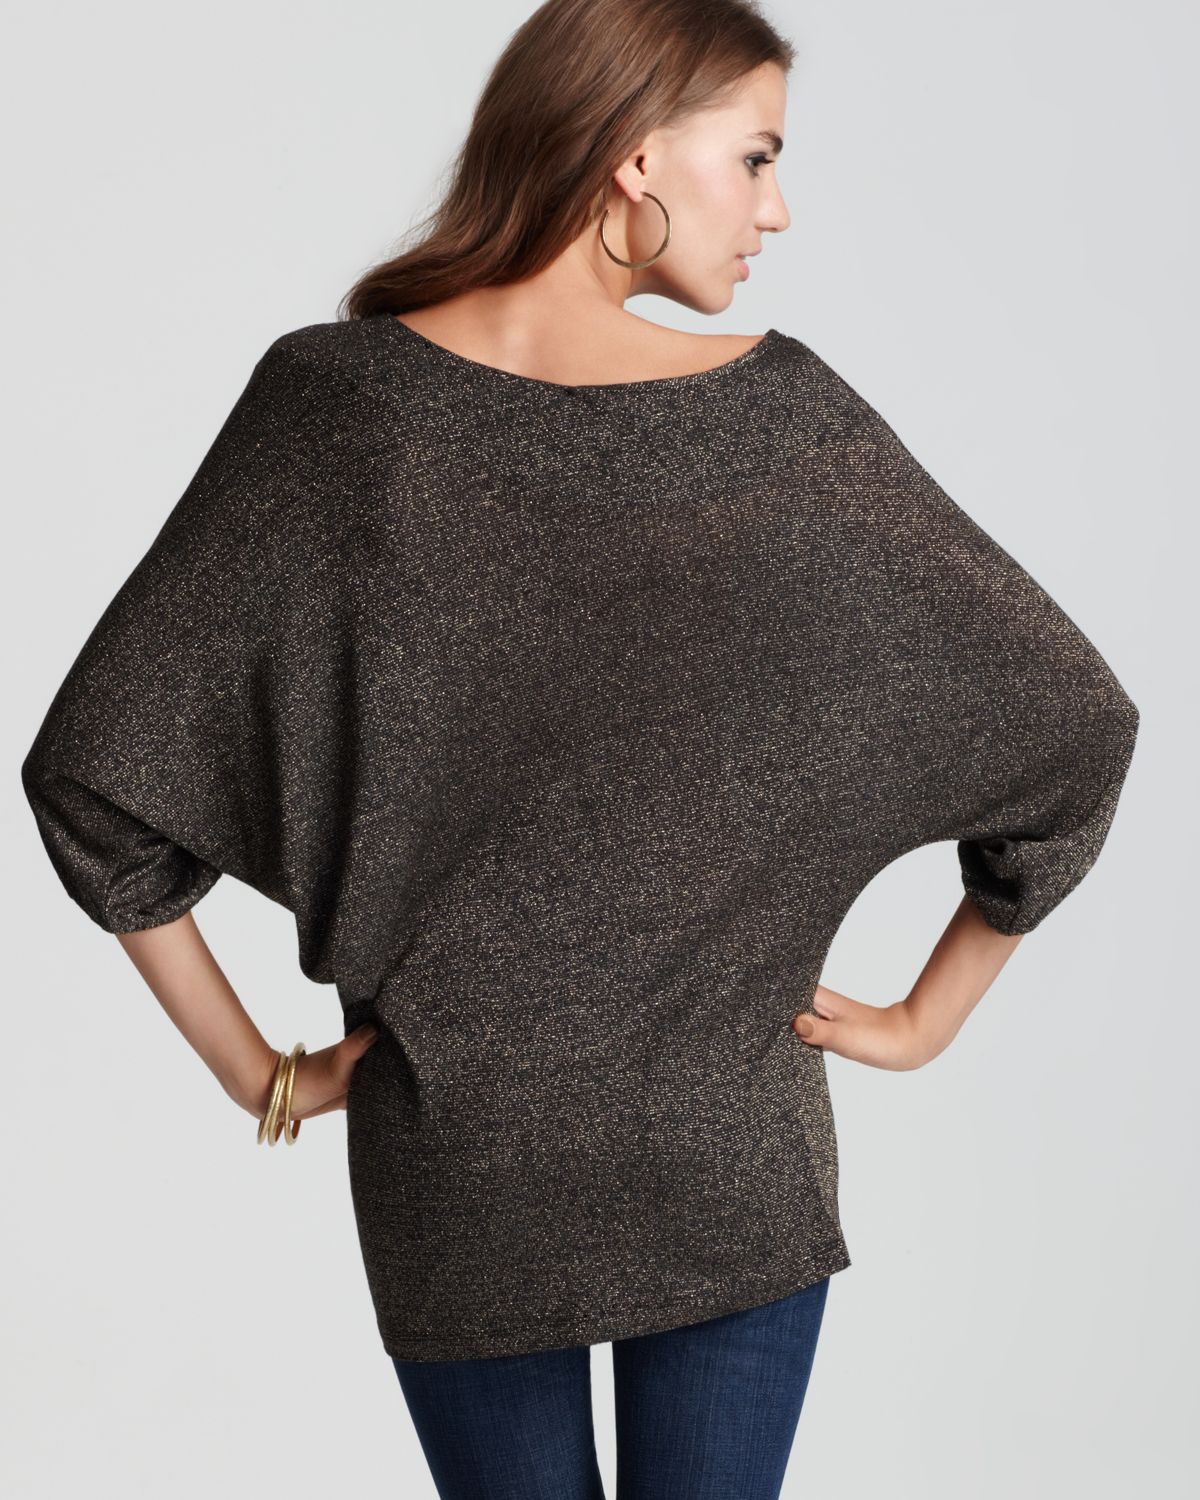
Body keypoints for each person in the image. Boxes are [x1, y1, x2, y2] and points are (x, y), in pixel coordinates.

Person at [19, 2, 1140, 1497]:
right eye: (757, 157)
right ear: (634, 157)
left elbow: (96, 777)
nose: (778, 209)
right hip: (728, 1153)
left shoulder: (333, 407)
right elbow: (1073, 723)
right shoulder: (784, 424)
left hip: (458, 1163)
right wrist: (927, 1018)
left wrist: (261, 1077)